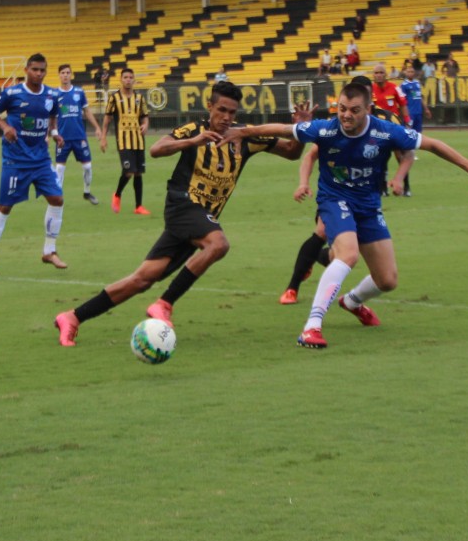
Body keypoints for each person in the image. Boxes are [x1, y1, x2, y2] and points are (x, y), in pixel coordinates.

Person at [238, 78, 468, 349]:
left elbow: (432, 144)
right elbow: (282, 129)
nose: (346, 115)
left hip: (368, 205)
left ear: (368, 110)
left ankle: (352, 301)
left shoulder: (386, 131)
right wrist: (242, 132)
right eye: (341, 108)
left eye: (353, 110)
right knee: (348, 255)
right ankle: (311, 326)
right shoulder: (326, 130)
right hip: (334, 199)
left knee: (387, 280)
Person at [54, 84, 311, 346]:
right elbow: (156, 149)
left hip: (200, 219)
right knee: (218, 244)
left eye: (231, 112)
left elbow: (291, 153)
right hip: (183, 205)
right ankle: (165, 303)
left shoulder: (244, 136)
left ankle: (72, 317)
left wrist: (300, 130)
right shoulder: (194, 130)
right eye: (221, 110)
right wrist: (192, 142)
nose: (226, 117)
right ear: (210, 107)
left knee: (142, 279)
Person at [0, 53, 65, 278]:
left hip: (40, 159)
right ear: (27, 70)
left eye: (42, 70)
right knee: (5, 206)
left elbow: (53, 117)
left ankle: (49, 251)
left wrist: (55, 134)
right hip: (15, 160)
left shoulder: (51, 95)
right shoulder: (12, 93)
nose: (39, 74)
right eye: (35, 69)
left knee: (57, 198)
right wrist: (5, 127)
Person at [100, 67, 150, 215]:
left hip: (138, 140)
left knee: (138, 173)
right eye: (125, 77)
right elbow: (107, 118)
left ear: (134, 80)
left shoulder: (139, 98)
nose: (128, 80)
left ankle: (138, 206)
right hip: (123, 140)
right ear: (121, 79)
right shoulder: (114, 98)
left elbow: (145, 116)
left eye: (130, 77)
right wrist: (103, 137)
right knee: (128, 171)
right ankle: (117, 194)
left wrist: (145, 125)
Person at [52, 64, 99, 206]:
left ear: (71, 75)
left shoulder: (79, 92)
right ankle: (57, 195)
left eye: (67, 72)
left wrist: (97, 127)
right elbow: (52, 118)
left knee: (87, 166)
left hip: (79, 137)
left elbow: (87, 111)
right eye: (63, 73)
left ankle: (87, 192)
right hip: (62, 138)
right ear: (59, 75)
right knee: (60, 168)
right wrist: (50, 134)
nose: (65, 75)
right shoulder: (55, 95)